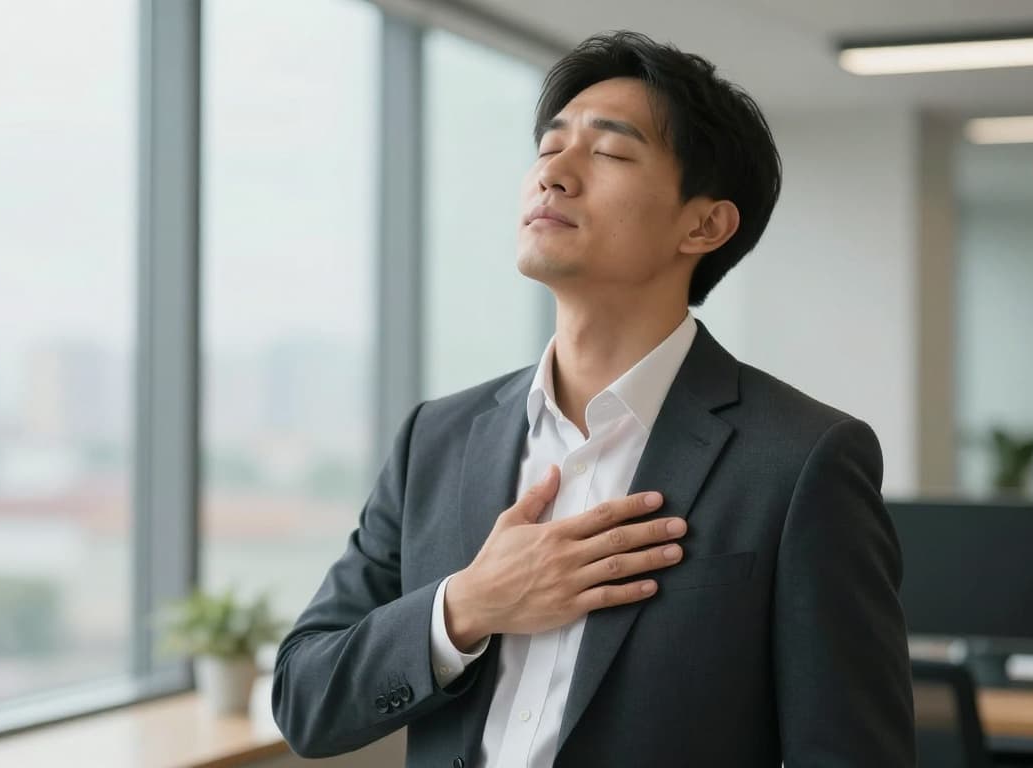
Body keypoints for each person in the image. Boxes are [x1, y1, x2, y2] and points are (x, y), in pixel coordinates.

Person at [272, 30, 914, 767]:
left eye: (608, 152)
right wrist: (468, 605)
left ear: (704, 224)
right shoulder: (437, 439)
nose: (554, 173)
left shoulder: (801, 460)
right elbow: (305, 701)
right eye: (549, 148)